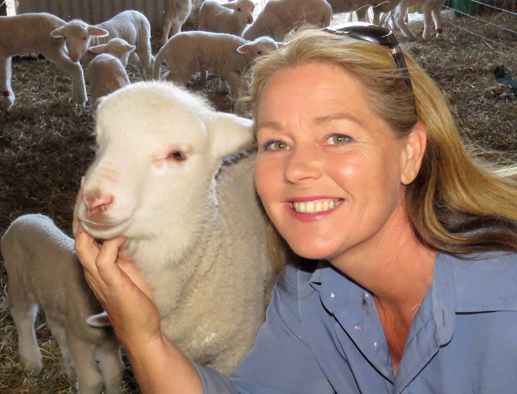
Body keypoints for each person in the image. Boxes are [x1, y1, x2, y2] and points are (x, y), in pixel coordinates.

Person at [73, 23, 517, 394]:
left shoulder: (503, 302)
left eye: (338, 137)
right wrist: (143, 337)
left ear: (409, 153)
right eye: (276, 143)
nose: (298, 168)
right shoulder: (311, 291)